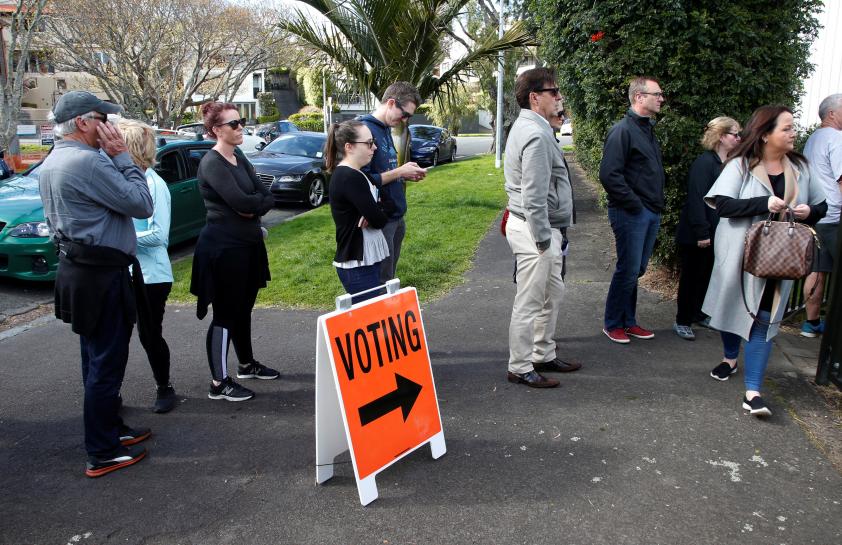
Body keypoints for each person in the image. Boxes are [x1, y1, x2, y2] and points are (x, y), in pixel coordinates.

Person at [38, 91, 154, 477]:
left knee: (94, 357)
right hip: (101, 275)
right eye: (105, 117)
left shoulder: (55, 159)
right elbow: (142, 203)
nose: (112, 125)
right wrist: (122, 156)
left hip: (80, 269)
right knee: (106, 361)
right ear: (85, 122)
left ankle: (110, 429)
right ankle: (102, 450)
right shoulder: (88, 162)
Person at [703, 105, 826, 417]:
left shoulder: (800, 167)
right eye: (786, 128)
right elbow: (723, 206)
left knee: (766, 318)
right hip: (740, 254)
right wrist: (763, 202)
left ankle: (753, 391)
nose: (793, 133)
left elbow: (821, 205)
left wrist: (807, 212)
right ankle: (730, 356)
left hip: (780, 257)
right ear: (765, 133)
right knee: (732, 308)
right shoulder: (740, 165)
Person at [190, 102, 278, 402]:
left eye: (241, 122)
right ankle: (218, 383)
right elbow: (243, 202)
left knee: (243, 310)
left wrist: (253, 205)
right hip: (223, 249)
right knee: (226, 314)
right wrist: (252, 205)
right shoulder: (212, 163)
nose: (241, 127)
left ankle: (246, 364)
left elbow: (265, 196)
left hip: (248, 245)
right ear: (216, 130)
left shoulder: (238, 156)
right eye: (234, 124)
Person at [504, 67, 579, 389]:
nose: (559, 97)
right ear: (535, 98)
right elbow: (533, 195)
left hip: (540, 227)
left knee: (553, 294)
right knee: (530, 300)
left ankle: (543, 353)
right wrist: (544, 239)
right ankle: (520, 366)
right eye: (553, 92)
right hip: (536, 229)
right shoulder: (534, 133)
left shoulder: (536, 128)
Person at [599, 76, 666, 344]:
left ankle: (628, 321)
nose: (661, 99)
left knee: (636, 269)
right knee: (628, 269)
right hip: (631, 213)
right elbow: (609, 175)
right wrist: (635, 205)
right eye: (657, 94)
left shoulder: (646, 129)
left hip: (649, 211)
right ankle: (613, 323)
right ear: (639, 97)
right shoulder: (622, 131)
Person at [118, 119, 178, 413]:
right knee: (117, 335)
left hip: (152, 275)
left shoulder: (155, 185)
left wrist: (120, 238)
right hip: (121, 271)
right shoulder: (121, 180)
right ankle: (112, 392)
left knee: (148, 333)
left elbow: (159, 236)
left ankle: (164, 387)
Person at [673, 117, 742, 340]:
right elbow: (697, 199)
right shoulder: (704, 163)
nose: (739, 138)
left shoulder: (730, 163)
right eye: (735, 134)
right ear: (721, 137)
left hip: (717, 232)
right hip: (697, 234)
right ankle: (682, 320)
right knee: (691, 278)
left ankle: (699, 313)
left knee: (707, 276)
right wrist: (702, 232)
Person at [358, 82, 427, 284]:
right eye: (404, 114)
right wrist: (399, 171)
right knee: (380, 283)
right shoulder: (364, 130)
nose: (405, 120)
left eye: (409, 117)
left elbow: (382, 172)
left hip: (396, 216)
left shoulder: (386, 128)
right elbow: (362, 180)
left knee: (389, 279)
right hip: (380, 220)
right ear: (390, 103)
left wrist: (404, 174)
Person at [325, 120, 390, 303]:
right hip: (357, 263)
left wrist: (376, 210)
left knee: (373, 315)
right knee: (370, 318)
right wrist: (375, 212)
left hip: (366, 259)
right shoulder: (349, 177)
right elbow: (379, 220)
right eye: (369, 143)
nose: (375, 147)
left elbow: (389, 203)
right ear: (349, 147)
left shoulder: (360, 174)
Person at [800, 94, 842, 337]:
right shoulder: (836, 139)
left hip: (815, 216)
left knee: (817, 270)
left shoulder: (813, 138)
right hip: (834, 216)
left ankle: (811, 323)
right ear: (832, 114)